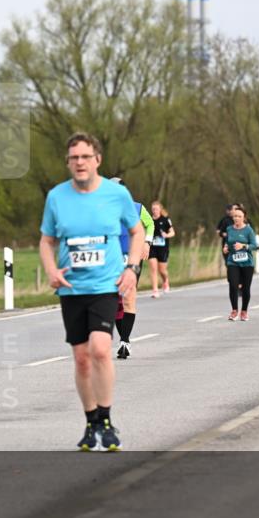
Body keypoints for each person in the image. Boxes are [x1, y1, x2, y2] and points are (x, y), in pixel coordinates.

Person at [39, 132, 145, 452]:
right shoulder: (57, 197)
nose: (80, 162)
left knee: (100, 349)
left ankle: (107, 421)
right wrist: (51, 270)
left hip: (105, 285)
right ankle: (90, 422)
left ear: (97, 159)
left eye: (85, 156)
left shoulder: (117, 194)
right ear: (68, 162)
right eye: (74, 158)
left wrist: (132, 268)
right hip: (72, 288)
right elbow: (46, 241)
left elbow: (137, 231)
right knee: (82, 358)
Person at [111, 179, 152, 360]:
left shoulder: (137, 207)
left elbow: (150, 224)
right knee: (114, 302)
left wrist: (147, 242)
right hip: (111, 260)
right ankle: (123, 339)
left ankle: (125, 341)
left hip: (132, 257)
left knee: (128, 298)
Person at [223, 205, 259, 321]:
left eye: (239, 216)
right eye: (235, 216)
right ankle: (234, 311)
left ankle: (244, 311)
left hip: (247, 263)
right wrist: (226, 247)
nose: (236, 218)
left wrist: (243, 246)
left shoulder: (248, 230)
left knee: (245, 288)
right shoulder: (229, 229)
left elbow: (255, 246)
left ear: (244, 217)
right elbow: (227, 242)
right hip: (232, 261)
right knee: (233, 285)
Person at [148, 201, 175, 298]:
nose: (154, 211)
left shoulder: (165, 220)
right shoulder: (149, 220)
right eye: (153, 209)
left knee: (162, 270)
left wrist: (166, 235)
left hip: (163, 248)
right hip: (152, 247)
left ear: (160, 210)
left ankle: (165, 280)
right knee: (153, 268)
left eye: (156, 209)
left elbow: (172, 232)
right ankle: (155, 290)